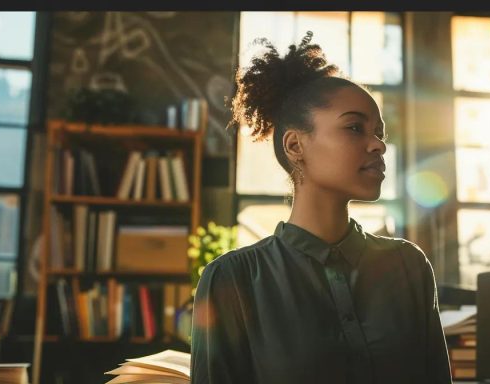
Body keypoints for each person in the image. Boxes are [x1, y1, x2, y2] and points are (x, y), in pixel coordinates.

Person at [190, 31, 452, 384]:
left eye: (379, 132)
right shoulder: (233, 279)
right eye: (355, 128)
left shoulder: (408, 266)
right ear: (295, 144)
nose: (378, 145)